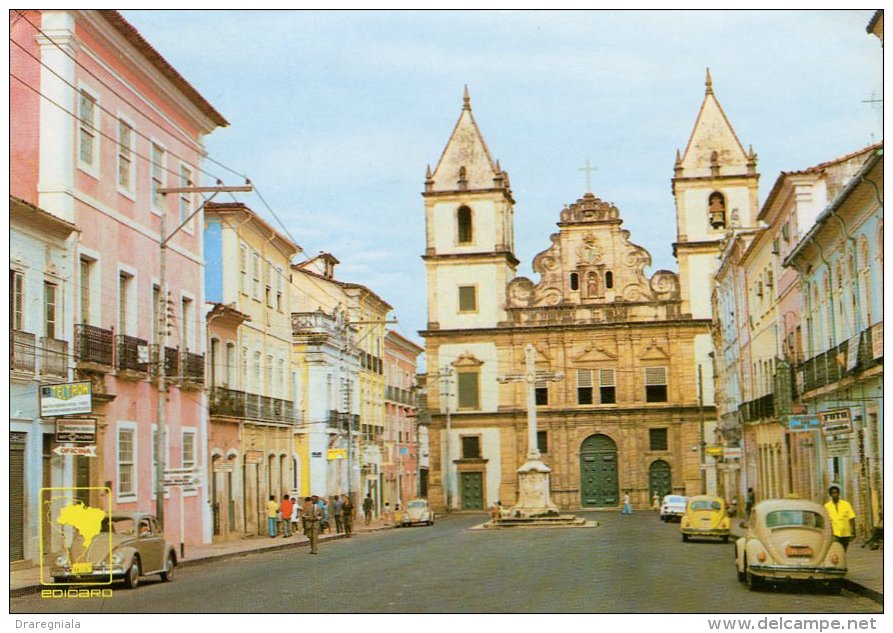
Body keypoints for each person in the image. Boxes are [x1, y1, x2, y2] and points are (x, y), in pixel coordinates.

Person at [825, 485, 856, 551]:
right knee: (837, 550)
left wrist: (853, 531)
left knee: (844, 550)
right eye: (833, 493)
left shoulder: (846, 504)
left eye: (836, 493)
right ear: (830, 495)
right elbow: (826, 521)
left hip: (846, 533)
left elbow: (851, 518)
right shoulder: (827, 506)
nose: (835, 495)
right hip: (834, 533)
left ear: (839, 494)